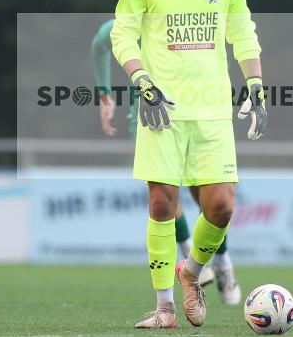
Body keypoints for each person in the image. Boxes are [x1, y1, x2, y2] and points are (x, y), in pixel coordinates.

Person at [111, 0, 265, 328]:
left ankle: (192, 272)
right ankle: (164, 309)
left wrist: (255, 83)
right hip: (162, 107)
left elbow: (243, 31)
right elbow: (123, 35)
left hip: (213, 108)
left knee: (221, 206)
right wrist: (142, 81)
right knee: (162, 203)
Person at [92, 20, 244, 303]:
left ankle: (223, 263)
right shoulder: (127, 24)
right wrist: (103, 94)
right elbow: (99, 44)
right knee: (163, 192)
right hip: (151, 120)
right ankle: (190, 257)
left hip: (195, 114)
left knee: (206, 198)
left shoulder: (181, 18)